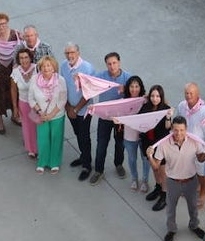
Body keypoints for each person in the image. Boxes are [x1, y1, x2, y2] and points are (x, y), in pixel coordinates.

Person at [151, 116, 205, 241]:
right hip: (172, 182)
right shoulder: (163, 144)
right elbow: (156, 166)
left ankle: (194, 226)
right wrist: (150, 155)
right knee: (171, 209)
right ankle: (171, 230)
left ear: (186, 129)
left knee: (193, 207)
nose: (179, 133)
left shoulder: (194, 141)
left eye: (182, 130)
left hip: (191, 181)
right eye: (176, 130)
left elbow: (200, 159)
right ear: (172, 129)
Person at [86, 52, 132, 184]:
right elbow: (89, 83)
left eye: (114, 63)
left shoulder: (128, 78)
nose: (112, 66)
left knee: (120, 144)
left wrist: (127, 91)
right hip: (105, 118)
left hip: (120, 120)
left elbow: (136, 94)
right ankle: (99, 171)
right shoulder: (101, 77)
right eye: (109, 64)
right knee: (101, 145)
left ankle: (118, 164)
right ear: (106, 65)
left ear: (119, 62)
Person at [61, 43, 95, 177]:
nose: (70, 55)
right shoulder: (64, 65)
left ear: (78, 52)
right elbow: (62, 86)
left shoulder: (87, 68)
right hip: (70, 108)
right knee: (78, 133)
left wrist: (75, 110)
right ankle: (83, 156)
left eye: (72, 52)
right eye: (67, 53)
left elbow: (89, 93)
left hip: (83, 110)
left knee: (84, 136)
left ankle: (87, 165)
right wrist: (68, 107)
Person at [29, 56, 66, 173]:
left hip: (57, 115)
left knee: (56, 139)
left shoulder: (60, 80)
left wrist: (51, 115)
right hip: (41, 116)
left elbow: (62, 100)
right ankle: (42, 162)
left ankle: (54, 163)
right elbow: (31, 99)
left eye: (48, 65)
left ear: (53, 67)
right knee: (42, 139)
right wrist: (40, 112)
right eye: (43, 66)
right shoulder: (34, 79)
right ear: (40, 68)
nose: (46, 68)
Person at [140, 85, 173, 208]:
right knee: (154, 168)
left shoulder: (165, 109)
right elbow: (138, 120)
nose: (155, 98)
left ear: (161, 97)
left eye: (158, 96)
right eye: (153, 96)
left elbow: (168, 127)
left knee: (162, 170)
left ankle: (164, 195)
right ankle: (158, 188)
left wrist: (168, 116)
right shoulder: (145, 107)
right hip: (148, 143)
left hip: (160, 145)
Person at [10, 48, 38, 159]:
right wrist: (15, 107)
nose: (24, 60)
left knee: (38, 126)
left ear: (30, 58)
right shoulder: (15, 71)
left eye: (26, 57)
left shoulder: (37, 68)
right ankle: (31, 149)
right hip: (24, 103)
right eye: (21, 58)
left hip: (37, 104)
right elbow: (13, 89)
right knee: (27, 127)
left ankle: (40, 148)